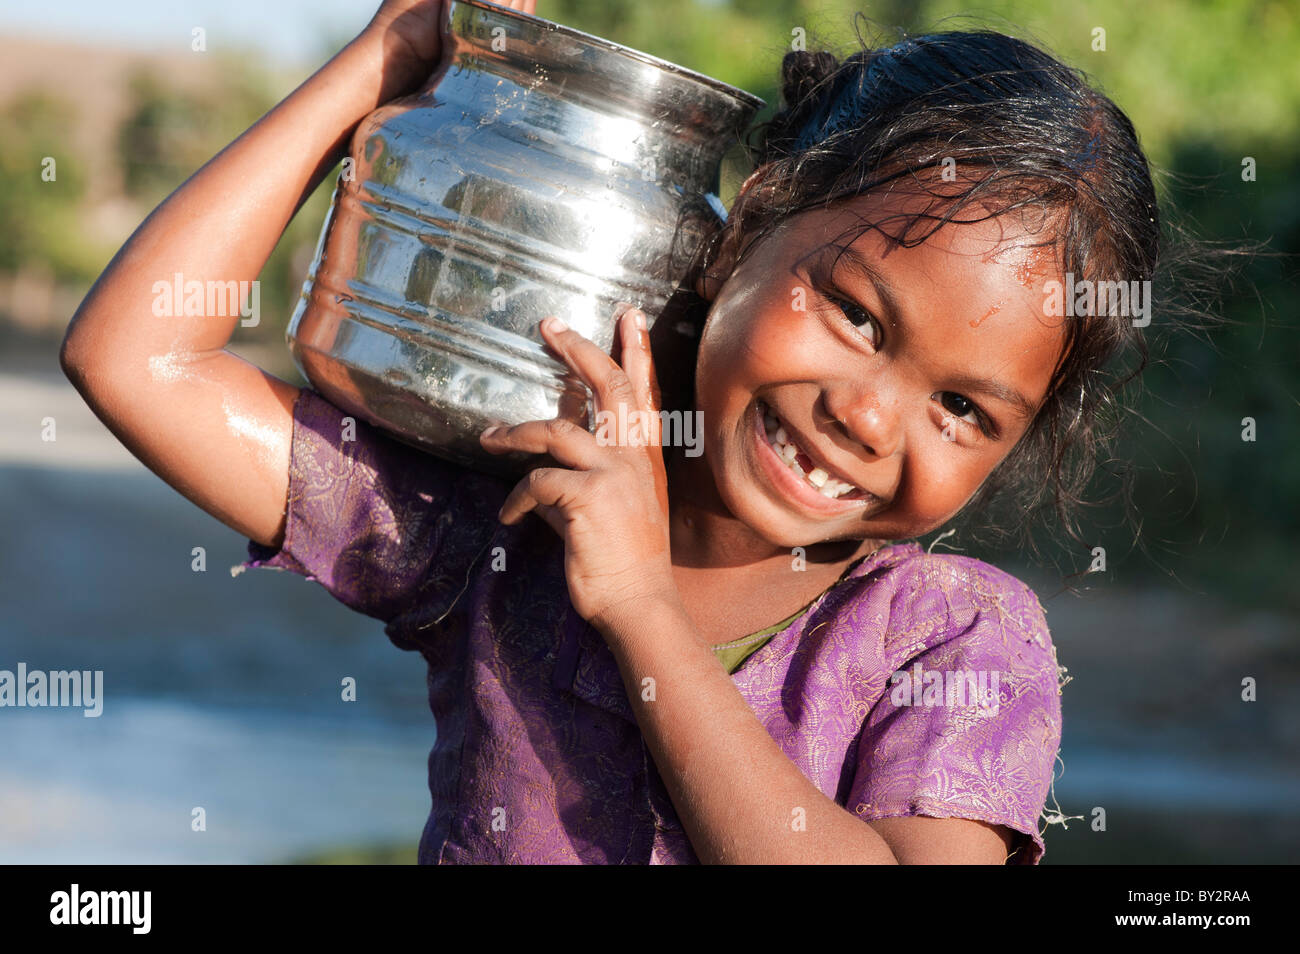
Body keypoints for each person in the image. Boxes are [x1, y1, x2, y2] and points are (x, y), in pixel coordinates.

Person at [62, 0, 1168, 863]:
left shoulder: (955, 642)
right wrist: (387, 61)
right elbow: (135, 359)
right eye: (854, 313)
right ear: (753, 226)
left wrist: (641, 607)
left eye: (963, 408)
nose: (868, 415)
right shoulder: (517, 519)